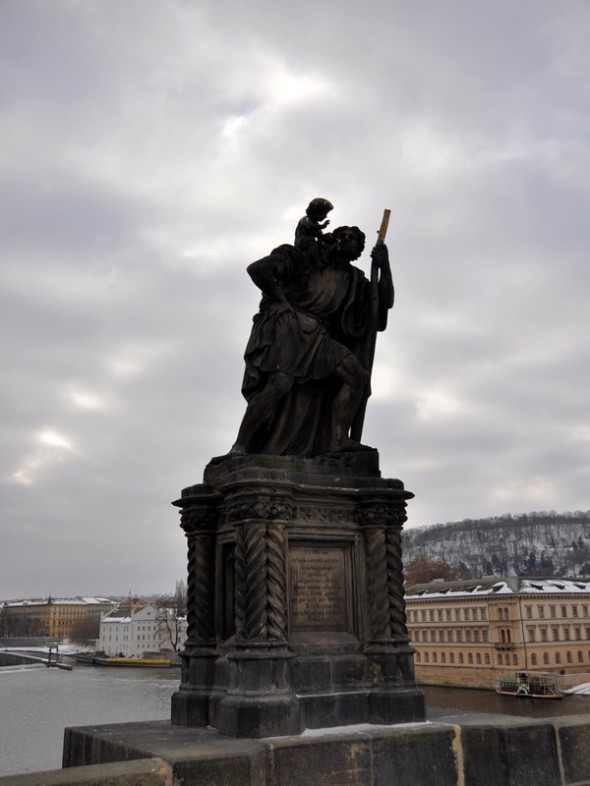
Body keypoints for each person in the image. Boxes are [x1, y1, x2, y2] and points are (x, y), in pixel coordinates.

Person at [230, 225, 394, 457]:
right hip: (290, 326)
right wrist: (279, 300)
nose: (345, 240)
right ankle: (241, 445)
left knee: (358, 377)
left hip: (320, 336)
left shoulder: (355, 281)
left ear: (358, 251)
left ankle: (337, 440)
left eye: (352, 239)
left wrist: (384, 265)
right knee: (279, 384)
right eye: (341, 236)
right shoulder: (310, 262)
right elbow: (257, 269)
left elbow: (381, 307)